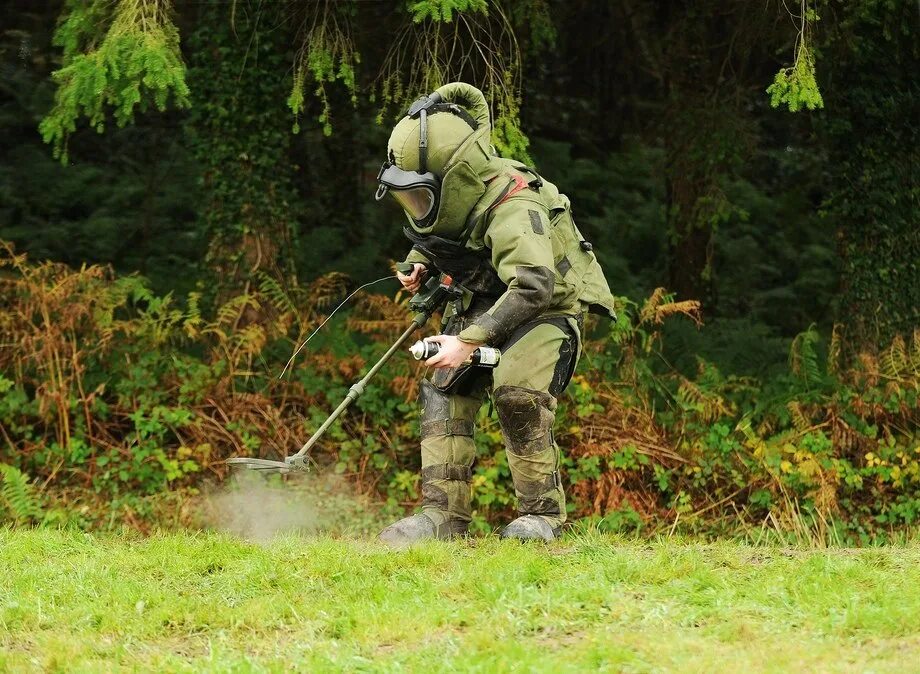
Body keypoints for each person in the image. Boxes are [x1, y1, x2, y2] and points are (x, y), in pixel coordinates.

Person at [374, 82, 616, 543]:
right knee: (443, 388)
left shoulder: (514, 201)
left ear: (458, 177)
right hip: (485, 303)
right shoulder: (457, 199)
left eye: (421, 197)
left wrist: (467, 341)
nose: (416, 209)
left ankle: (542, 517)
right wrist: (419, 264)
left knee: (517, 391)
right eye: (408, 200)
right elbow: (446, 235)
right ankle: (441, 517)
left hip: (546, 309)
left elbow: (533, 284)